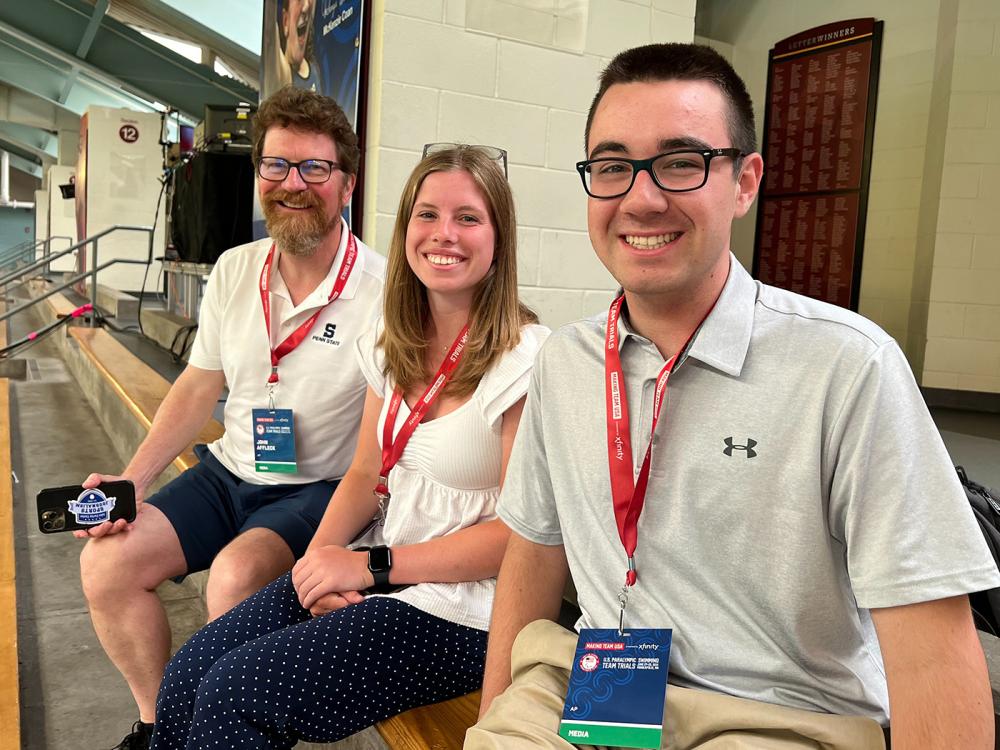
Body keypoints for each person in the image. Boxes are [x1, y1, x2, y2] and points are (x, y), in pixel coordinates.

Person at [468, 43, 1000, 750]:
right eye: (613, 165)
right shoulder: (567, 361)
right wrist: (490, 718)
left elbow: (933, 649)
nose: (641, 197)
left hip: (777, 716)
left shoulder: (847, 368)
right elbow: (533, 554)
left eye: (682, 162)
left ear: (745, 182)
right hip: (591, 690)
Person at [150, 144, 549, 749]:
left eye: (468, 217)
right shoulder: (394, 339)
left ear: (499, 237)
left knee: (234, 695)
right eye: (427, 214)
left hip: (464, 607)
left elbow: (522, 538)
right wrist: (319, 563)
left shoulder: (527, 358)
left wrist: (370, 566)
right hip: (379, 566)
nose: (445, 234)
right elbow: (366, 472)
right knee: (184, 677)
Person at [77, 85, 385, 750]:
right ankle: (163, 727)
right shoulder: (235, 269)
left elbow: (382, 442)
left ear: (348, 184)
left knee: (236, 578)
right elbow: (196, 388)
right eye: (275, 166)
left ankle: (237, 735)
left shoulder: (385, 292)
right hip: (227, 473)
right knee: (106, 564)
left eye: (314, 168)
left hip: (317, 490)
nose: (292, 184)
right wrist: (130, 481)